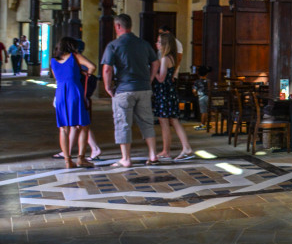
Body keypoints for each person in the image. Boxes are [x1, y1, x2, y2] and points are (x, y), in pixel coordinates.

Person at [101, 14, 160, 168]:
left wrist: (107, 86)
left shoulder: (113, 45)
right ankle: (153, 155)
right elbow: (155, 62)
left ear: (118, 26)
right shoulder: (143, 44)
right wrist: (150, 79)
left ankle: (126, 158)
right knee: (147, 121)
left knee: (123, 123)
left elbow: (107, 69)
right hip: (144, 88)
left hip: (124, 89)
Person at [49, 37, 97, 169]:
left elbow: (56, 78)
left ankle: (67, 160)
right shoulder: (74, 56)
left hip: (60, 94)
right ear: (71, 46)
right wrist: (84, 74)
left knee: (64, 128)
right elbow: (92, 67)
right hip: (74, 92)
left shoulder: (53, 61)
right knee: (83, 125)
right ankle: (81, 158)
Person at [152, 32, 194, 161]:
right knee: (172, 121)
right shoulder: (171, 57)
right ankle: (177, 149)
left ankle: (169, 150)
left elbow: (161, 78)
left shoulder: (165, 59)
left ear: (165, 44)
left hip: (164, 93)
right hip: (168, 92)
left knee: (166, 122)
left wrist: (153, 71)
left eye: (159, 42)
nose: (157, 44)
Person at [193, 66, 212, 131]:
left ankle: (203, 125)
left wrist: (195, 95)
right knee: (207, 110)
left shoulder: (197, 81)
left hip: (202, 97)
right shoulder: (208, 81)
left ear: (198, 73)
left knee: (203, 111)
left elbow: (194, 90)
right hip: (208, 96)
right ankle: (207, 123)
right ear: (207, 74)